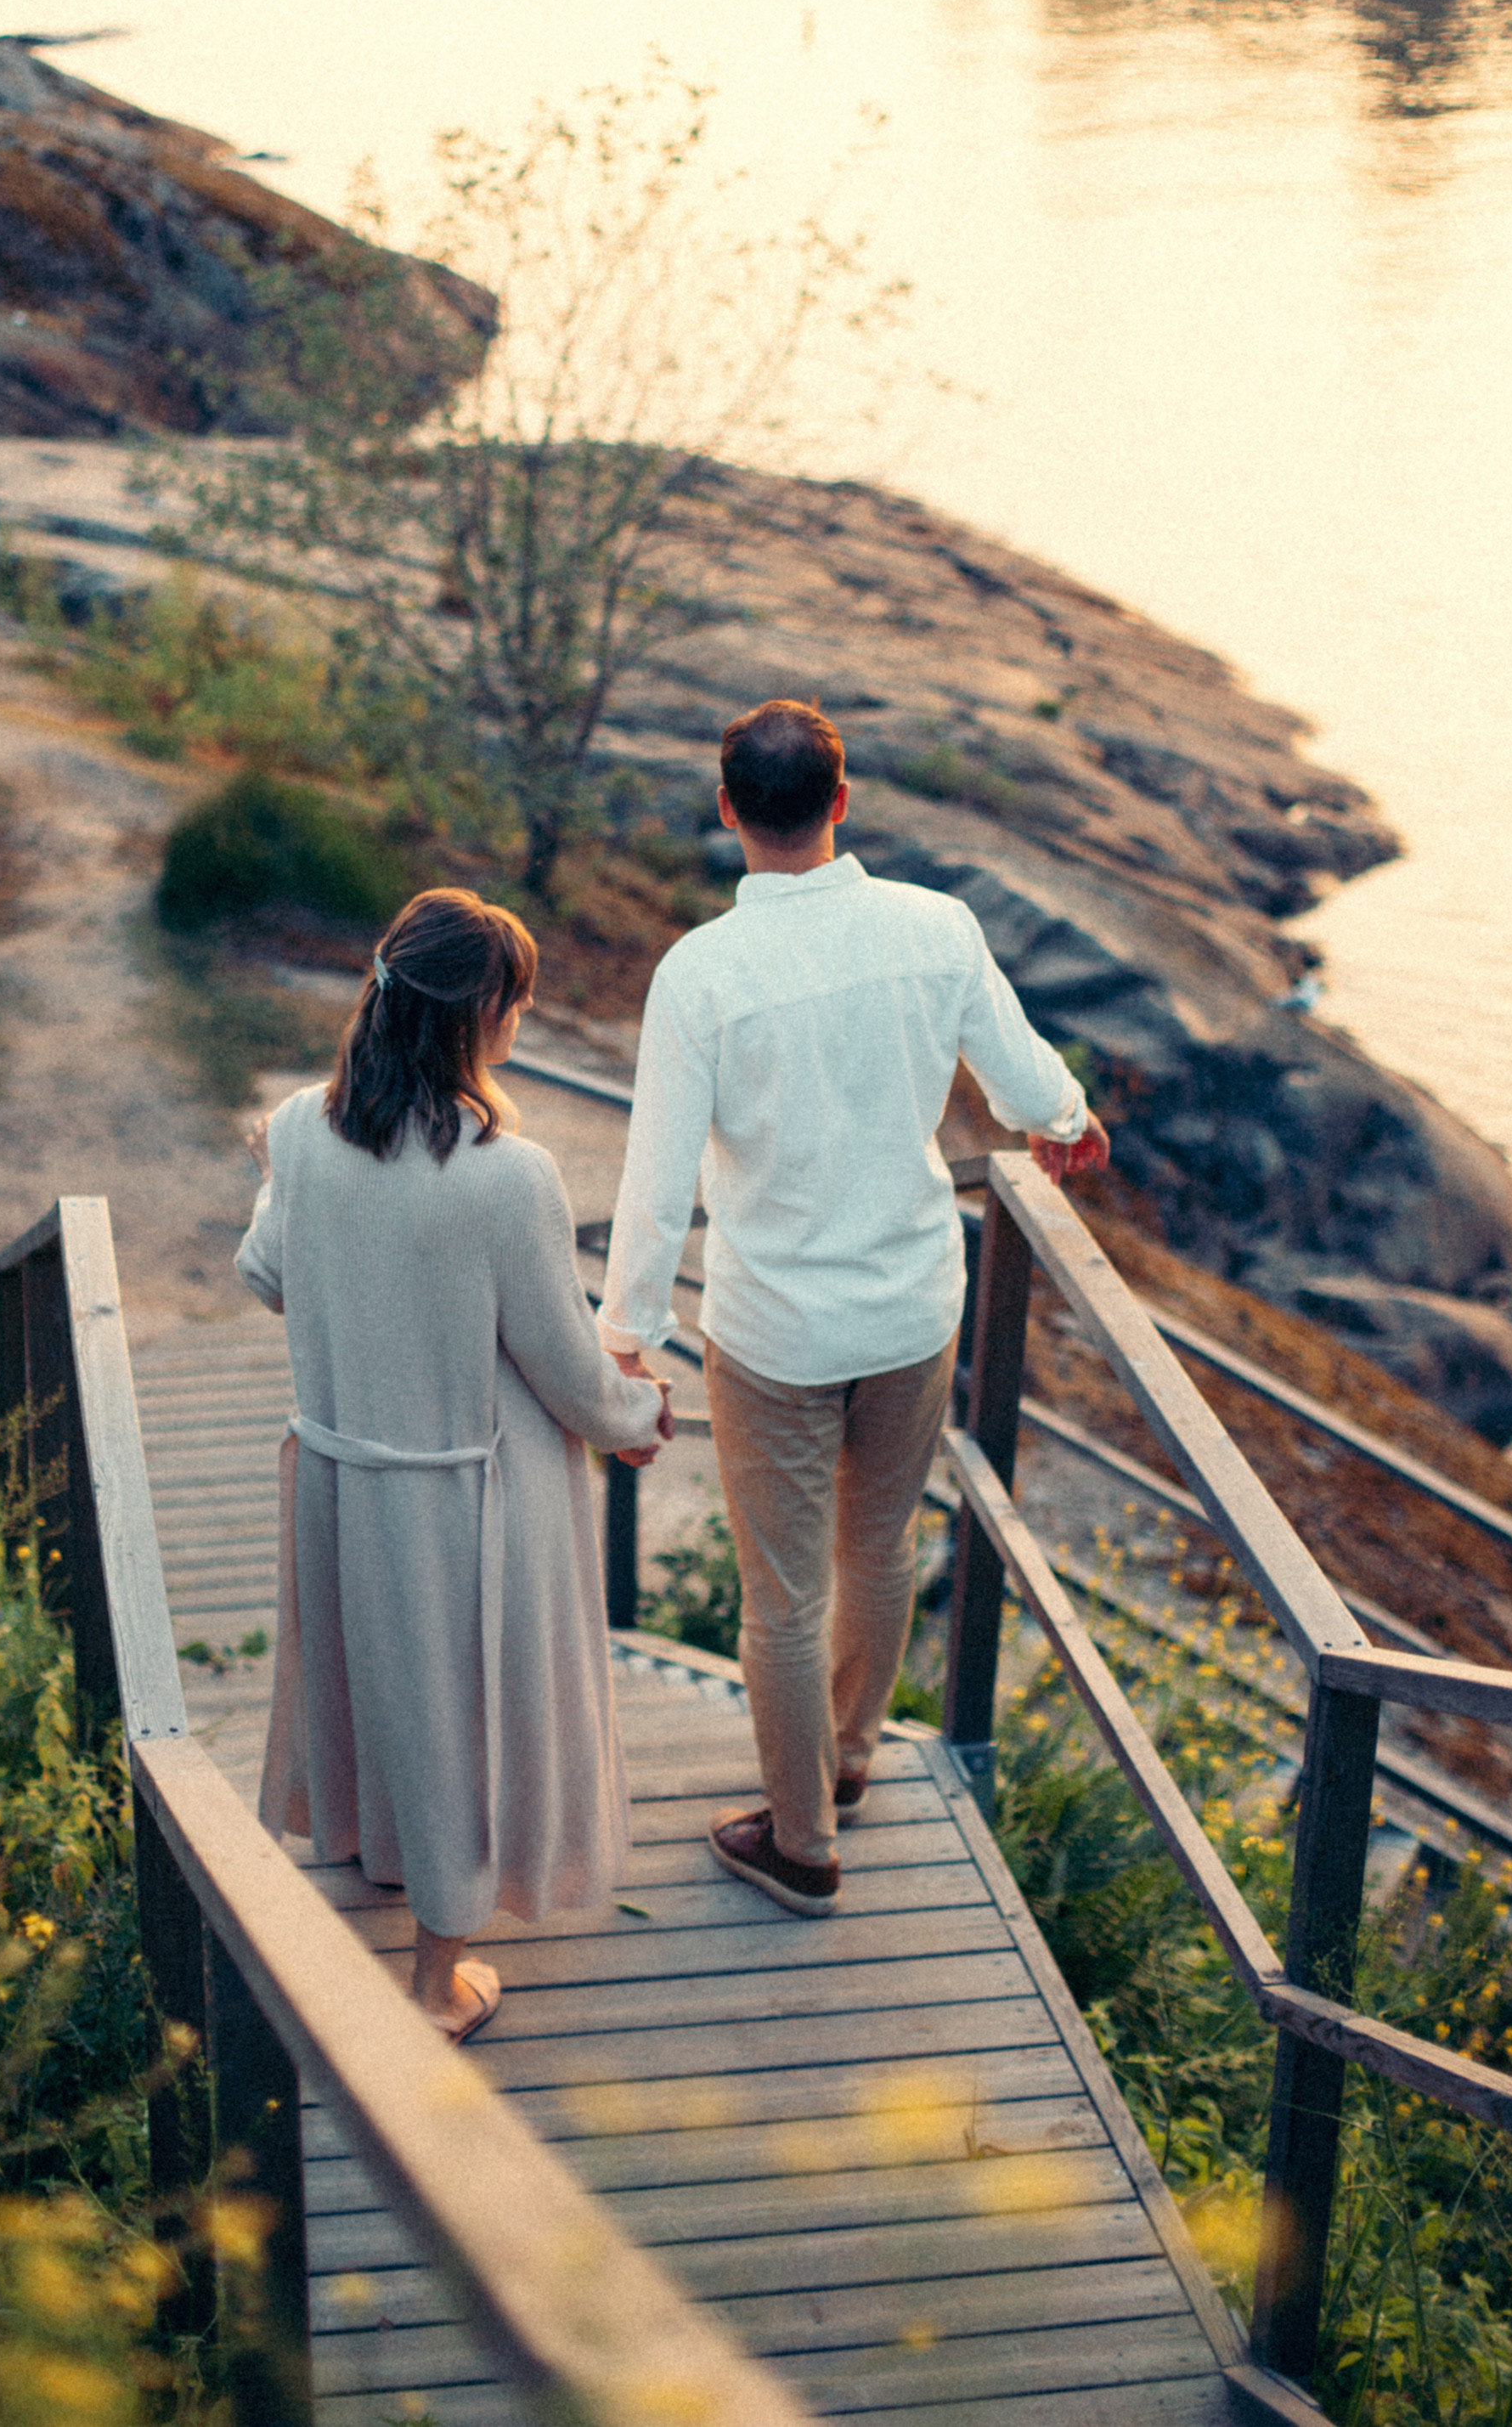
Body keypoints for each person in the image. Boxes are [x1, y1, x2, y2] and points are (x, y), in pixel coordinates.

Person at [599, 700, 1108, 1917]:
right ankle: (848, 1758)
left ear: (728, 811)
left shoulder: (700, 974)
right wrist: (1068, 1121)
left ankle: (802, 1842)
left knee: (782, 1593)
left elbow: (656, 1184)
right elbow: (1024, 1079)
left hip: (773, 1330)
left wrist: (625, 1342)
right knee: (876, 1548)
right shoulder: (936, 927)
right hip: (911, 1310)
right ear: (842, 800)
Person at [236, 887, 668, 2040]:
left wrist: (281, 1175)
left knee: (372, 1679)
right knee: (457, 1718)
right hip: (457, 1499)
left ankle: (374, 1846)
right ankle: (434, 1986)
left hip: (340, 1477)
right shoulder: (506, 1176)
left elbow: (265, 1274)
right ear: (481, 1016)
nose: (520, 1020)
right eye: (514, 1002)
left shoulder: (301, 1126)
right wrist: (637, 1413)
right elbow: (566, 1368)